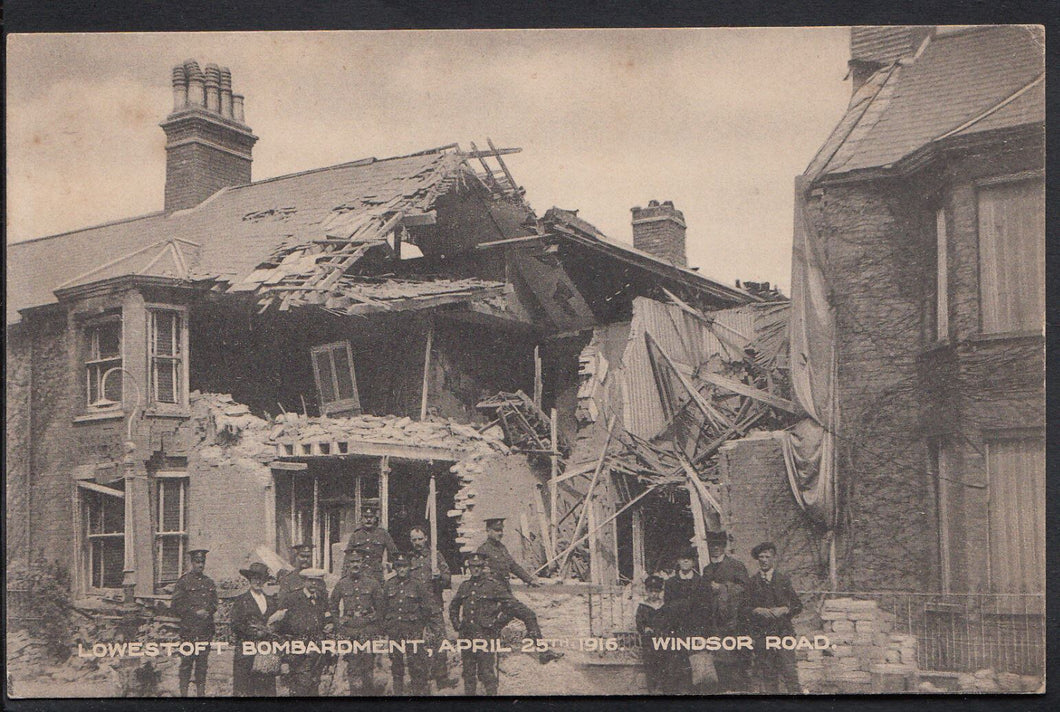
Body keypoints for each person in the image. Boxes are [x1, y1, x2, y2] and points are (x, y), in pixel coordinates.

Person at [475, 517, 561, 664]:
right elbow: (478, 574)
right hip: (494, 595)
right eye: (496, 530)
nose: (500, 533)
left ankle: (486, 649)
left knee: (501, 621)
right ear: (488, 531)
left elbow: (513, 566)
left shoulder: (502, 548)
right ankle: (543, 652)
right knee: (529, 615)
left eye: (501, 530)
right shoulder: (483, 550)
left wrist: (530, 579)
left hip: (505, 593)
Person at [450, 552, 524, 696]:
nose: (475, 569)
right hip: (467, 636)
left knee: (487, 673)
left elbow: (511, 607)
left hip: (486, 636)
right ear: (468, 568)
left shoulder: (493, 586)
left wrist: (496, 625)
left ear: (483, 567)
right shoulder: (464, 586)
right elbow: (454, 606)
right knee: (468, 673)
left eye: (478, 566)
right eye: (472, 566)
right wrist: (457, 624)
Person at [746, 542, 803, 694]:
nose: (764, 560)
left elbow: (798, 605)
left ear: (773, 559)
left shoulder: (782, 579)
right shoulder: (752, 582)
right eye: (761, 557)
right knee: (768, 674)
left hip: (783, 632)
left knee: (789, 671)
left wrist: (785, 609)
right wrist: (756, 610)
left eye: (767, 557)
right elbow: (744, 609)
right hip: (763, 635)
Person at [408, 524, 458, 690]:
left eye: (420, 539)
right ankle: (419, 679)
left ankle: (441, 678)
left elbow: (447, 578)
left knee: (440, 641)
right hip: (415, 608)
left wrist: (439, 577)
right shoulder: (408, 559)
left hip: (434, 606)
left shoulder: (435, 557)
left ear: (426, 538)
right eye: (414, 540)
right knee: (415, 643)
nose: (417, 543)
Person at [701, 531, 751, 692]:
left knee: (734, 654)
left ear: (724, 546)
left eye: (719, 544)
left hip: (732, 619)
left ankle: (737, 690)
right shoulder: (707, 569)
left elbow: (744, 588)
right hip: (714, 620)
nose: (715, 548)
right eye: (712, 545)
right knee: (717, 655)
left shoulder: (736, 566)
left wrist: (722, 588)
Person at [382, 552, 438, 695]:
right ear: (395, 568)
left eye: (404, 566)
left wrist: (420, 626)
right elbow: (383, 607)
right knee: (396, 664)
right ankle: (398, 694)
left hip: (413, 630)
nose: (401, 569)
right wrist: (387, 626)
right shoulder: (389, 585)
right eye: (399, 566)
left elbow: (426, 608)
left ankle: (418, 693)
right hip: (395, 630)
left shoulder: (417, 585)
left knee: (416, 663)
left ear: (409, 568)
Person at [330, 549, 383, 695]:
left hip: (367, 630)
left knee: (368, 666)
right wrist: (339, 624)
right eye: (352, 561)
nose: (355, 564)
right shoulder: (342, 584)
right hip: (349, 631)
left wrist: (373, 623)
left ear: (362, 563)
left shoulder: (372, 583)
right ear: (347, 563)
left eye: (358, 561)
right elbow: (332, 606)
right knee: (353, 667)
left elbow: (381, 608)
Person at [275, 568, 332, 696]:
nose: (314, 584)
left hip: (317, 650)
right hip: (299, 650)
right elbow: (280, 625)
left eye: (317, 581)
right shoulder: (292, 598)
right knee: (300, 686)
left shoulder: (321, 598)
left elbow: (327, 615)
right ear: (304, 581)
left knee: (314, 683)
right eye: (310, 581)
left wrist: (330, 623)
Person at [171, 545, 217, 697]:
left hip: (205, 631)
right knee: (186, 663)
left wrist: (208, 611)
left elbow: (214, 603)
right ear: (192, 562)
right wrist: (195, 612)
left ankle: (200, 695)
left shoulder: (209, 582)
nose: (200, 565)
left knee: (202, 664)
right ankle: (183, 694)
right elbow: (176, 605)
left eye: (202, 562)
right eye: (197, 562)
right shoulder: (183, 582)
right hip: (189, 630)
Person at [231, 562, 279, 696]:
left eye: (260, 578)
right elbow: (235, 624)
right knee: (245, 689)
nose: (257, 581)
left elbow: (276, 623)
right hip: (246, 650)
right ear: (250, 579)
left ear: (264, 580)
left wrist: (272, 628)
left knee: (266, 689)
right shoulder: (241, 600)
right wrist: (254, 632)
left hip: (265, 652)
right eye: (254, 578)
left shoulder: (271, 601)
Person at [344, 499, 399, 584]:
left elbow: (395, 555)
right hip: (359, 576)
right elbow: (347, 559)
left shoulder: (383, 534)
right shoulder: (355, 535)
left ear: (375, 519)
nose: (368, 520)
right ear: (361, 519)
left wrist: (394, 574)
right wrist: (344, 578)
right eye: (366, 517)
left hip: (376, 577)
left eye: (371, 517)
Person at [635, 575, 669, 693]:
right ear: (647, 591)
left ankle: (662, 687)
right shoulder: (643, 607)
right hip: (649, 640)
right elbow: (639, 623)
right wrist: (645, 628)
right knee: (650, 664)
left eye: (656, 591)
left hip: (663, 638)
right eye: (651, 591)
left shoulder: (664, 606)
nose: (653, 594)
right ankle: (652, 689)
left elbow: (669, 621)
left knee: (664, 662)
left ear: (660, 592)